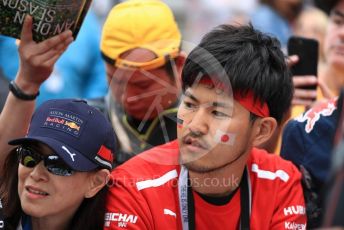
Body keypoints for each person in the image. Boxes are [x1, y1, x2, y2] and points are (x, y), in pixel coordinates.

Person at [104, 24, 307, 229]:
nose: (195, 126)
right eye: (190, 104)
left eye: (218, 112)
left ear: (262, 130)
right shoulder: (132, 185)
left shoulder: (281, 181)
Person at [0, 16, 116, 230]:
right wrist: (27, 80)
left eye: (59, 164)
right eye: (29, 156)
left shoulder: (91, 30)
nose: (36, 174)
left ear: (96, 182)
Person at [91, 0, 185, 164]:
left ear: (179, 65)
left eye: (142, 85)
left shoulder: (205, 129)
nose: (127, 97)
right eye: (116, 81)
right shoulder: (88, 123)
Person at [0, 9, 108, 106]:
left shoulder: (88, 25)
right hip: (10, 110)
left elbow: (98, 82)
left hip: (67, 122)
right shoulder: (13, 10)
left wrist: (82, 116)